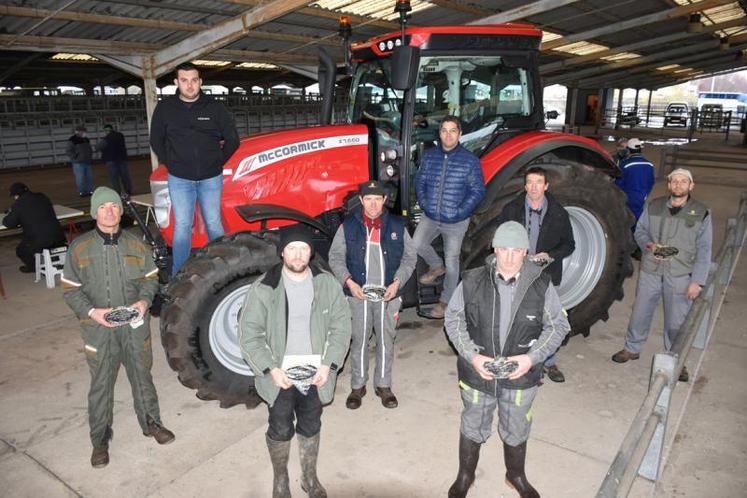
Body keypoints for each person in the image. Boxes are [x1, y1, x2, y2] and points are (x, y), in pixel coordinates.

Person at [444, 221, 570, 498]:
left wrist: (531, 359)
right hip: (479, 373)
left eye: (516, 250)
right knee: (473, 423)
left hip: (521, 375)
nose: (509, 257)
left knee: (517, 425)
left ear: (525, 252)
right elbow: (453, 319)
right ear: (494, 250)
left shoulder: (541, 284)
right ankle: (466, 475)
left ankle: (515, 475)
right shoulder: (473, 280)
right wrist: (472, 356)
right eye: (503, 249)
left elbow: (558, 326)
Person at [61, 187, 175, 469]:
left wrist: (144, 303)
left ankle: (152, 424)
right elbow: (70, 290)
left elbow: (151, 279)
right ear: (94, 212)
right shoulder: (80, 248)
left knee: (141, 375)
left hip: (134, 326)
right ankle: (99, 441)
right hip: (98, 327)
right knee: (100, 384)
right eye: (103, 207)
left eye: (114, 205)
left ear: (120, 211)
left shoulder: (136, 245)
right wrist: (91, 312)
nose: (110, 211)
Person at [238, 227, 351, 498]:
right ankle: (281, 480)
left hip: (316, 374)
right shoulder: (264, 287)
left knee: (311, 424)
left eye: (304, 249)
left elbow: (342, 326)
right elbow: (248, 334)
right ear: (282, 252)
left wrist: (329, 365)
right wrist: (270, 369)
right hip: (280, 375)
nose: (298, 255)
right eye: (292, 249)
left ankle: (309, 478)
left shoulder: (326, 284)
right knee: (280, 426)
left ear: (311, 253)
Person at [612, 169, 712, 383]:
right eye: (674, 181)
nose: (678, 185)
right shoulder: (654, 206)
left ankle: (676, 358)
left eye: (683, 181)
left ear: (691, 186)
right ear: (669, 185)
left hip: (680, 273)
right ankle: (632, 348)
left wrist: (697, 281)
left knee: (676, 320)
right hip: (651, 270)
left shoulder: (701, 212)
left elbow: (705, 250)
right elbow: (639, 231)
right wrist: (649, 246)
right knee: (640, 311)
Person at [328, 180, 417, 410]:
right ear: (361, 201)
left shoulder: (397, 226)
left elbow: (410, 257)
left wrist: (398, 282)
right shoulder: (348, 226)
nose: (373, 204)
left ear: (385, 200)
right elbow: (335, 257)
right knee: (359, 339)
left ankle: (384, 385)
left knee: (386, 340)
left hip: (389, 294)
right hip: (359, 294)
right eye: (368, 199)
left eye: (378, 199)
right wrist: (348, 281)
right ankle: (358, 386)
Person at [149, 61, 240, 275]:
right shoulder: (165, 108)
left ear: (200, 82)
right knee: (182, 226)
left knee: (214, 224)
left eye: (193, 81)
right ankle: (179, 275)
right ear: (176, 82)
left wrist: (216, 162)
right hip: (180, 179)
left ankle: (222, 270)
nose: (189, 86)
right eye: (184, 81)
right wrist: (171, 164)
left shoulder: (214, 107)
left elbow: (232, 139)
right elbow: (156, 139)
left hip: (211, 178)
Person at [495, 166, 575, 383]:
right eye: (530, 182)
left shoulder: (559, 213)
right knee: (515, 319)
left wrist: (549, 255)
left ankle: (549, 361)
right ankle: (517, 363)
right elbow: (500, 238)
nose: (533, 187)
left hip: (545, 274)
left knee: (548, 320)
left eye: (538, 182)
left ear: (546, 186)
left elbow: (569, 245)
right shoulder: (512, 210)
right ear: (525, 185)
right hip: (516, 272)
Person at [414, 115, 485, 319]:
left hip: (455, 220)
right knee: (417, 244)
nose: (448, 134)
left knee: (452, 261)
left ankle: (445, 302)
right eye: (444, 130)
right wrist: (426, 205)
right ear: (439, 134)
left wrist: (460, 212)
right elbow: (420, 182)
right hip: (431, 216)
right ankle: (436, 266)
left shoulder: (470, 161)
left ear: (460, 134)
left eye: (453, 130)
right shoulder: (429, 156)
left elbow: (477, 191)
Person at [2, 182, 66, 273]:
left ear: (16, 196)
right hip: (59, 236)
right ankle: (53, 264)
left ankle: (34, 268)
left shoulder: (18, 204)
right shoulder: (42, 196)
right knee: (49, 240)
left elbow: (8, 223)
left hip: (40, 240)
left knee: (21, 250)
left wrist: (12, 211)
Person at [614, 138, 655, 223]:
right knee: (638, 220)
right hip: (642, 196)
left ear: (628, 150)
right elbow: (651, 182)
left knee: (626, 220)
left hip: (627, 197)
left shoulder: (625, 164)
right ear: (641, 149)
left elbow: (618, 183)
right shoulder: (649, 164)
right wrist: (645, 193)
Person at [97, 124, 133, 196]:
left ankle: (117, 192)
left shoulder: (106, 139)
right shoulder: (120, 136)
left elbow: (98, 147)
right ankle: (128, 190)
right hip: (122, 159)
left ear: (106, 130)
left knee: (114, 178)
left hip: (111, 160)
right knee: (125, 176)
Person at [66, 124, 93, 197]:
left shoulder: (86, 139)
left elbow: (89, 149)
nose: (84, 133)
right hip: (78, 163)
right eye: (83, 131)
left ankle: (89, 191)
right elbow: (69, 151)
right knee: (80, 178)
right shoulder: (72, 140)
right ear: (78, 132)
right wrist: (75, 157)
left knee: (88, 177)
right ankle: (82, 192)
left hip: (87, 161)